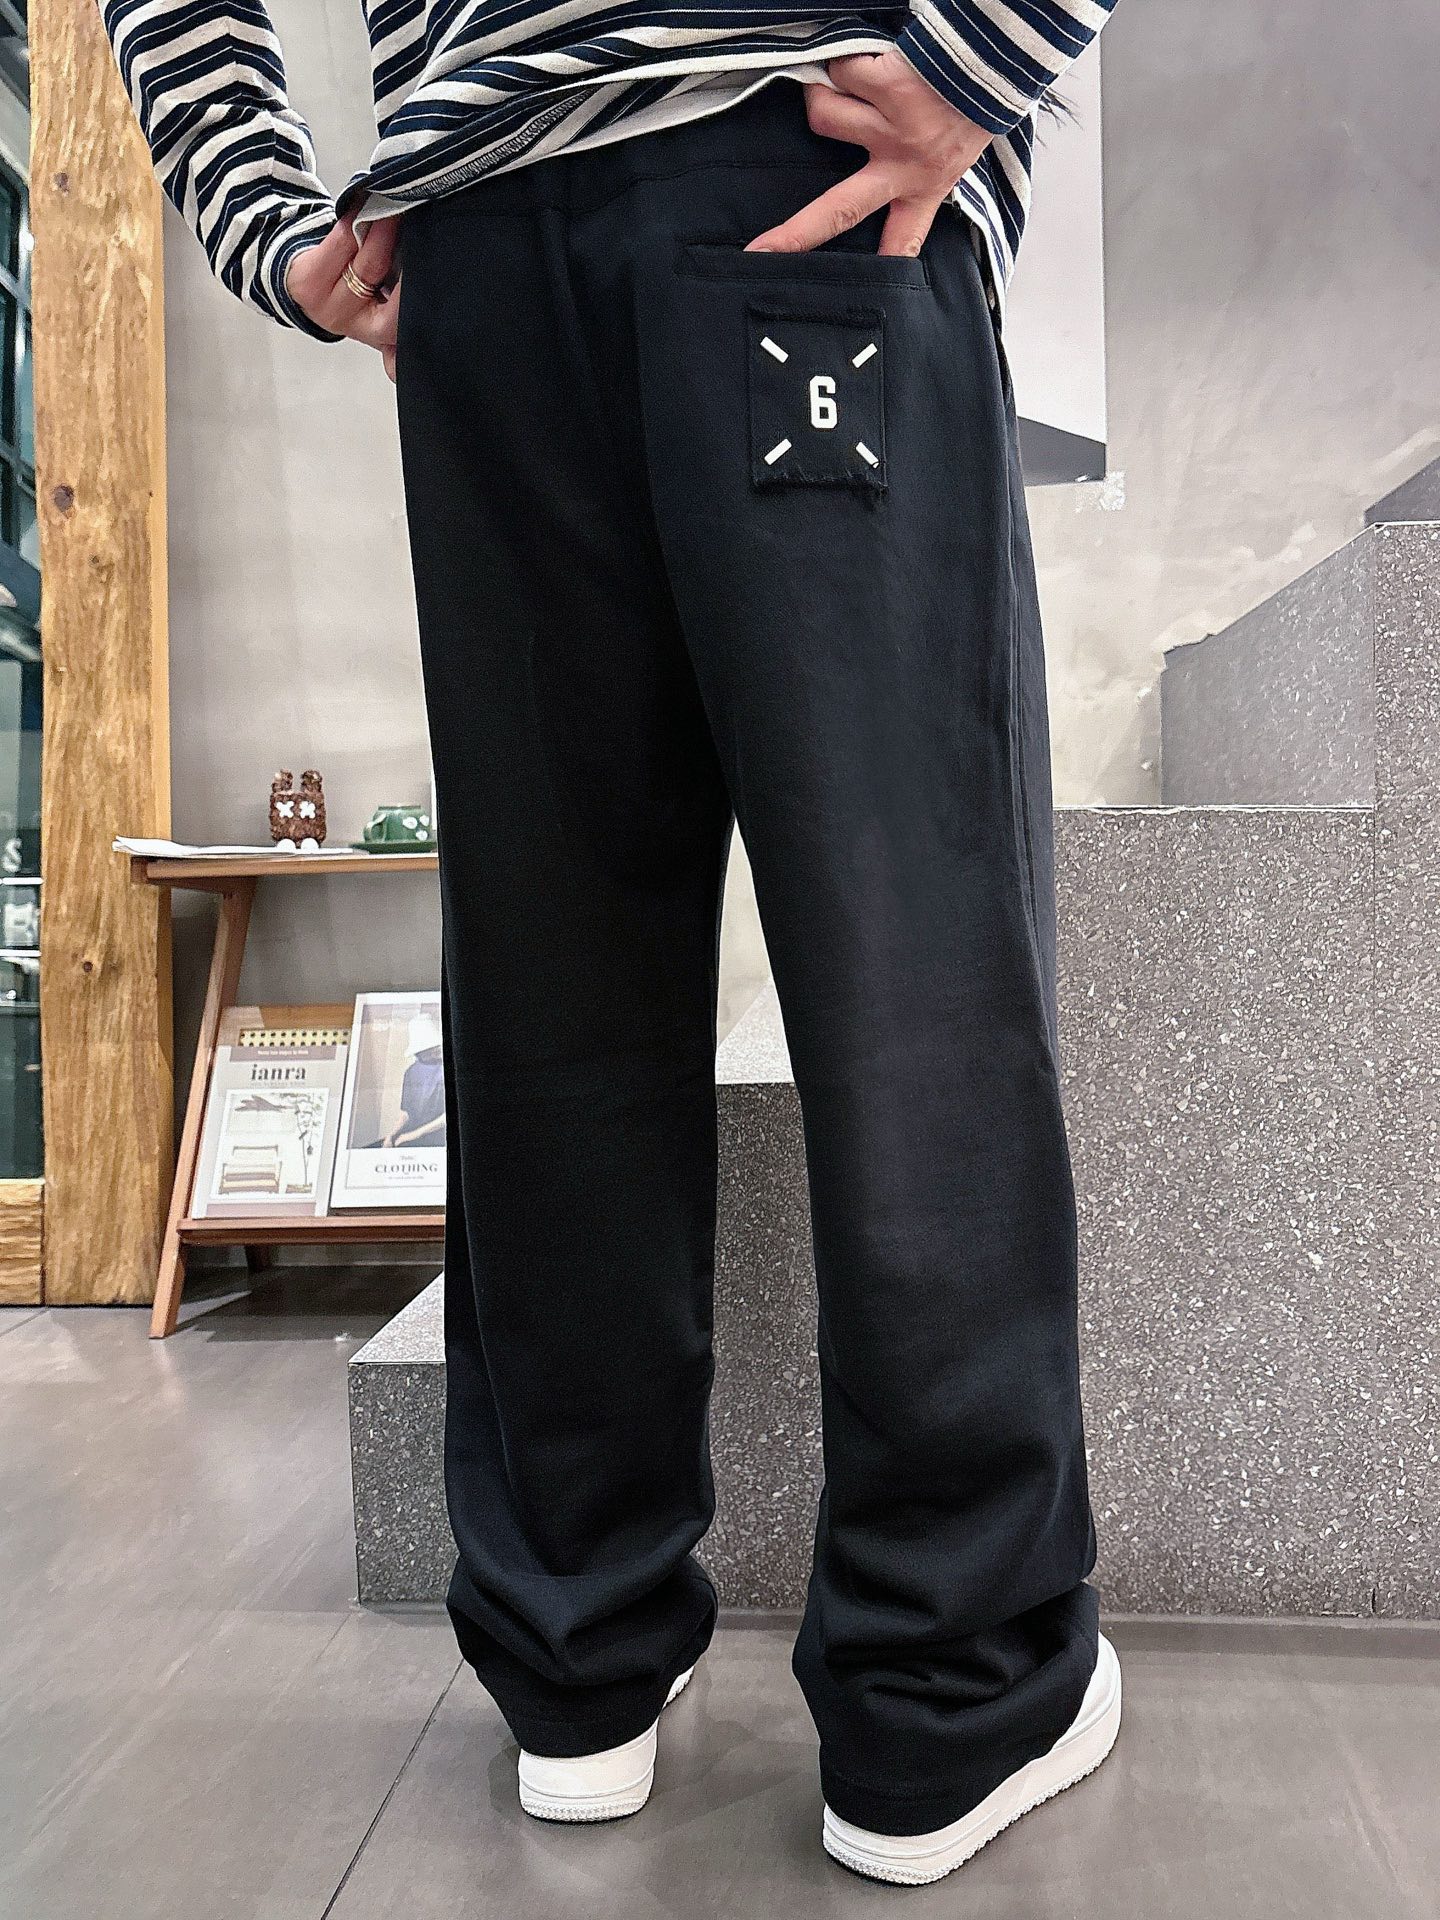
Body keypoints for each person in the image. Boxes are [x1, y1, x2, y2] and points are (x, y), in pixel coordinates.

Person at [99, 0, 1122, 1885]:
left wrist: (266, 218)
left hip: (491, 254)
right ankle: (945, 1696)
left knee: (557, 991)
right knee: (910, 971)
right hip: (803, 167)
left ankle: (577, 1660)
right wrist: (983, 59)